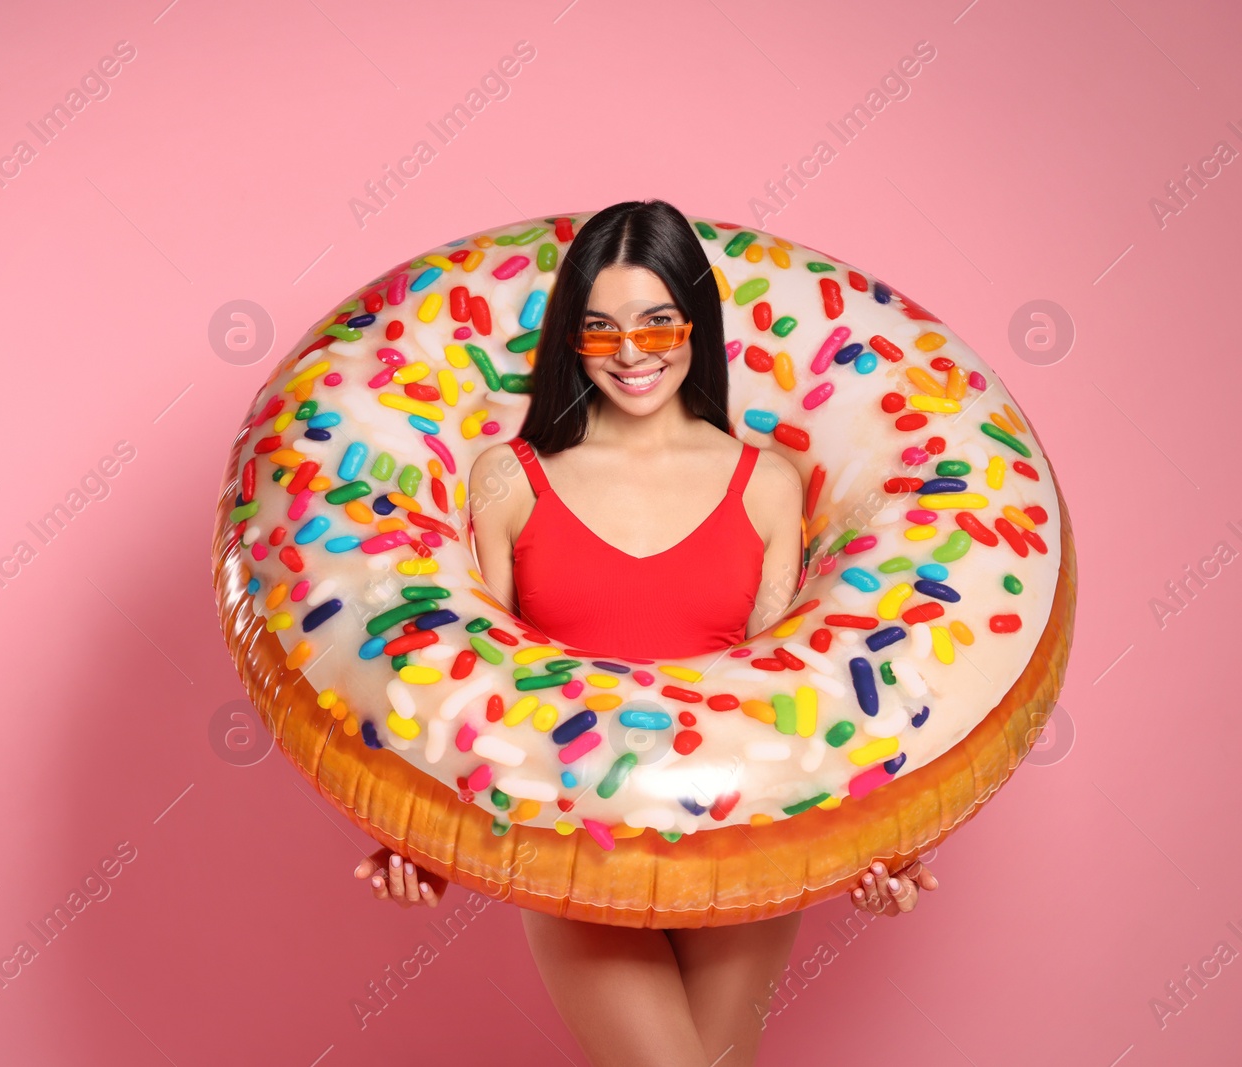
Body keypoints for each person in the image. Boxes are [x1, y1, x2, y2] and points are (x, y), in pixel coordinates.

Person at [351, 200, 938, 1066]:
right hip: (576, 854)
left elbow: (789, 692)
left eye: (658, 323)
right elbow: (475, 678)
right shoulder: (508, 481)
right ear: (571, 339)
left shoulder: (765, 484)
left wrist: (874, 848)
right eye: (601, 329)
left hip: (739, 850)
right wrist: (431, 833)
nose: (631, 353)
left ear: (695, 322)